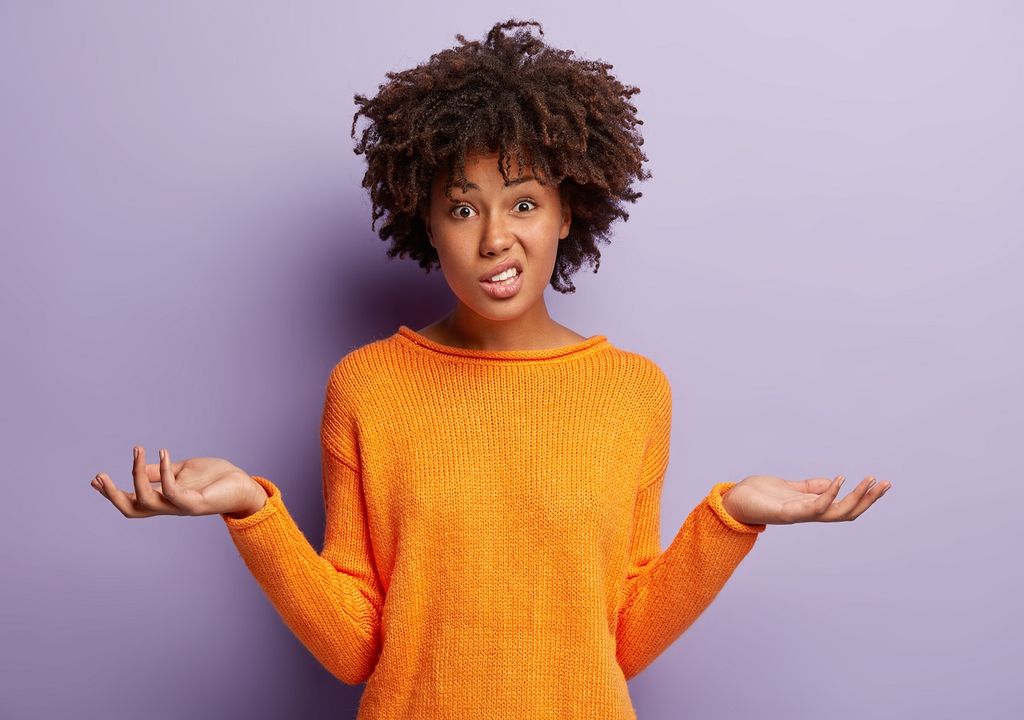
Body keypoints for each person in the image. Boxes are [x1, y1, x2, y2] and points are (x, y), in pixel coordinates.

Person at [89, 18, 892, 719]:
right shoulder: (367, 386)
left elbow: (623, 639)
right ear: (427, 222)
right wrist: (250, 512)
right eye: (463, 207)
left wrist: (733, 519)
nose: (495, 238)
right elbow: (356, 649)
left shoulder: (633, 392)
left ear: (567, 211)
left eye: (524, 203)